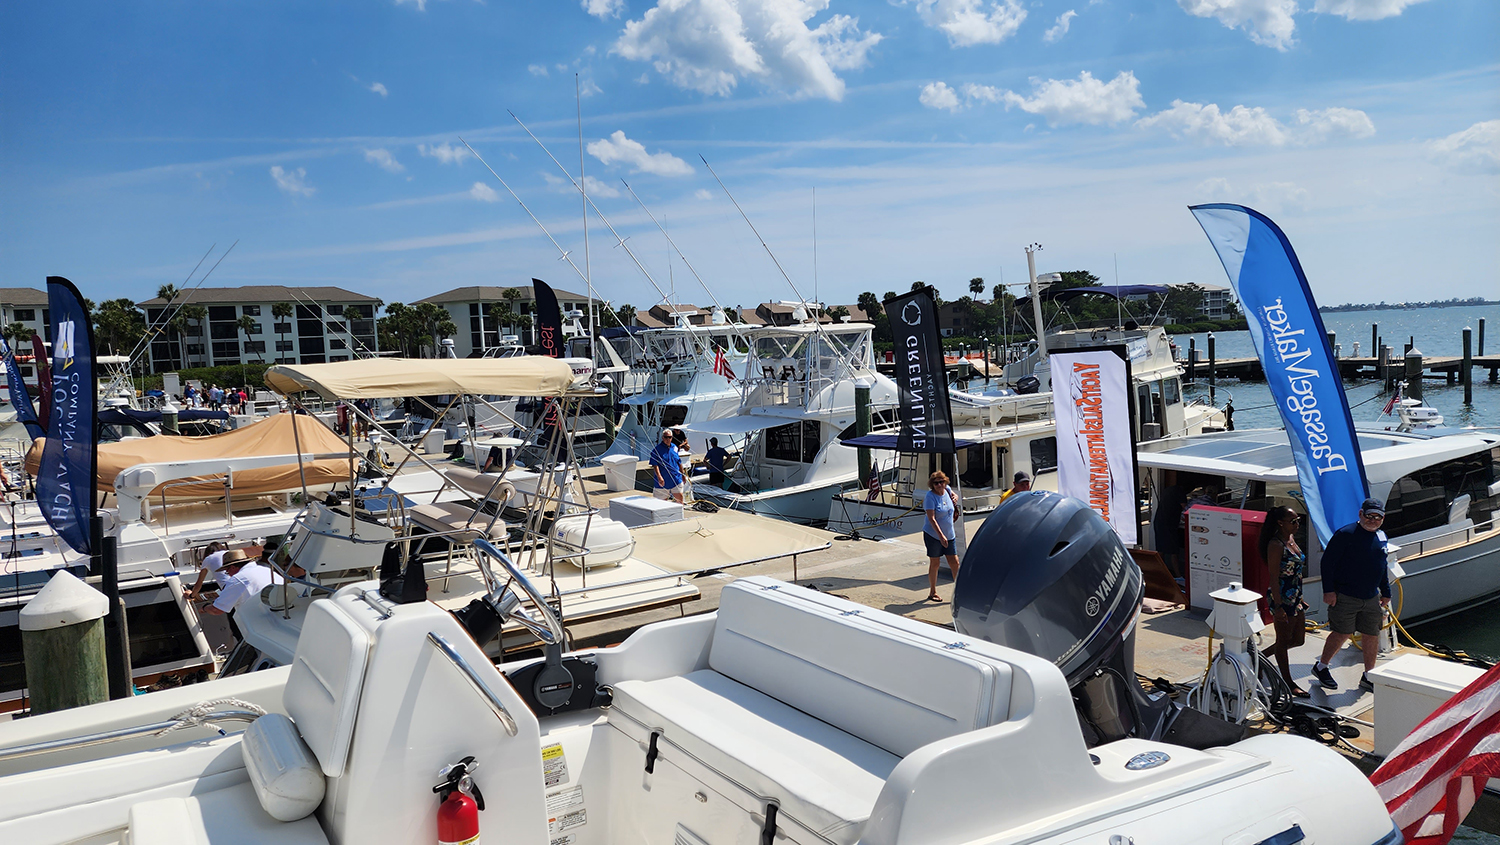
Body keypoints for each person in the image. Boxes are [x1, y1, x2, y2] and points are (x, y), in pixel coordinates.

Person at [1311, 498, 1392, 692]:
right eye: (1369, 516)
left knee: (1371, 634)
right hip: (1345, 595)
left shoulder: (1381, 536)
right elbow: (1327, 563)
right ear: (1360, 514)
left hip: (1371, 597)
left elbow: (1382, 565)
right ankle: (1321, 667)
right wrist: (1328, 590)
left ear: (1382, 518)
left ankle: (1368, 675)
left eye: (1377, 517)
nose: (1373, 520)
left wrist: (1386, 591)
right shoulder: (1345, 534)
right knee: (1342, 632)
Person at [1259, 506, 1311, 698]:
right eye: (1293, 521)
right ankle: (1288, 683)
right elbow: (1273, 577)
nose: (1297, 524)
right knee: (1283, 640)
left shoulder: (1291, 539)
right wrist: (1279, 607)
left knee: (1298, 640)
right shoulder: (1276, 544)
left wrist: (1300, 598)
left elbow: (1296, 572)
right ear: (1280, 523)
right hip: (1281, 597)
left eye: (1298, 520)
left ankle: (1261, 657)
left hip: (1295, 596)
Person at [923, 470, 960, 602]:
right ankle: (932, 592)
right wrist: (941, 536)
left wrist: (955, 496)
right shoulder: (930, 497)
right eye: (936, 483)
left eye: (941, 482)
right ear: (932, 485)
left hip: (950, 535)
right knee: (935, 563)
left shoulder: (948, 490)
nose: (939, 485)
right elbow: (931, 519)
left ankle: (958, 592)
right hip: (933, 535)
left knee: (955, 563)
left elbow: (953, 495)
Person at [649, 429, 685, 504]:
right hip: (663, 480)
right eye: (666, 437)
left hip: (676, 478)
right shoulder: (656, 450)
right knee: (661, 503)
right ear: (662, 437)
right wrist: (659, 477)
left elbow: (679, 461)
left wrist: (683, 474)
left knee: (680, 498)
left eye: (670, 437)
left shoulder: (674, 447)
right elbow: (655, 465)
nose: (668, 439)